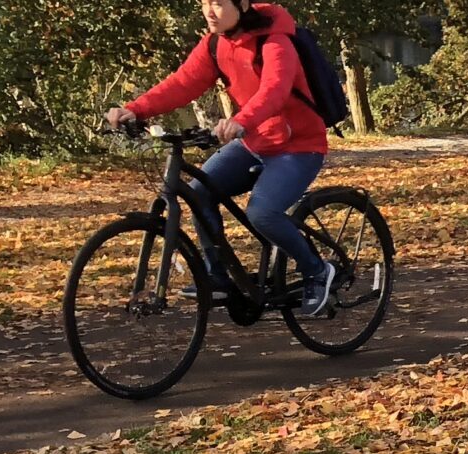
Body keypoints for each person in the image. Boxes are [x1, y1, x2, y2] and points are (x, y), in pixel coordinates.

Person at [106, 1, 333, 314]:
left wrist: (242, 120)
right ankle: (218, 277)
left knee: (263, 213)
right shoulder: (215, 43)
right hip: (255, 141)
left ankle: (317, 270)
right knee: (200, 192)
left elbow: (275, 90)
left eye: (217, 4)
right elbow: (183, 83)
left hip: (298, 146)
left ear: (241, 5)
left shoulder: (275, 41)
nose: (209, 12)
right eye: (203, 4)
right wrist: (137, 109)